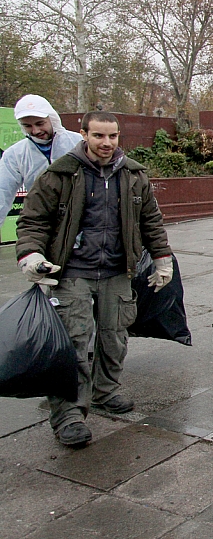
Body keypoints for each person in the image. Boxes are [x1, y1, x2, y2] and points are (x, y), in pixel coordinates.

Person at [16, 111, 173, 448]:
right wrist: (32, 256)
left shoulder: (132, 175)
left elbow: (151, 220)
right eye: (99, 136)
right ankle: (69, 415)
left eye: (112, 136)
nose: (106, 143)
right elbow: (33, 221)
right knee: (73, 343)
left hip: (117, 272)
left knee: (115, 338)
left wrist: (162, 260)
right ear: (83, 135)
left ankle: (105, 390)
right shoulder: (60, 175)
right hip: (72, 273)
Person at [0, 95, 79, 226]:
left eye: (40, 123)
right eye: (27, 126)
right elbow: (2, 192)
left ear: (52, 119)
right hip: (40, 223)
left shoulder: (79, 144)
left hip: (80, 223)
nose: (35, 131)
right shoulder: (15, 155)